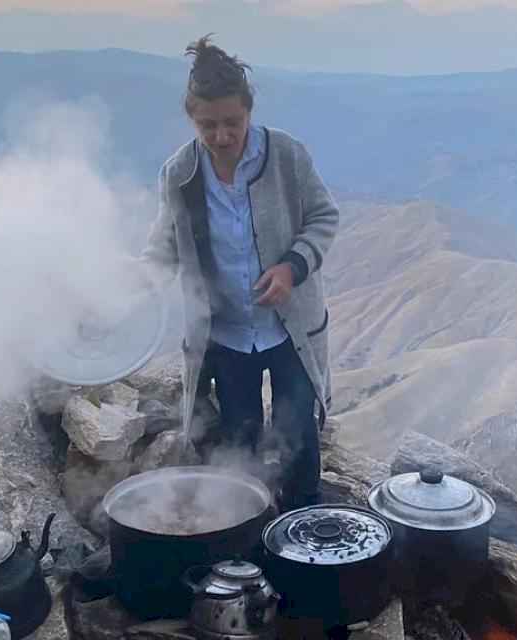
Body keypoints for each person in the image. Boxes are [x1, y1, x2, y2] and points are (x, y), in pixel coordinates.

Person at [141, 35, 339, 511]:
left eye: (233, 122)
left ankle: (302, 524)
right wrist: (136, 283)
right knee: (239, 439)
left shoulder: (287, 157)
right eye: (208, 125)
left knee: (298, 436)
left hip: (290, 330)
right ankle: (249, 533)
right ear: (191, 117)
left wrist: (292, 267)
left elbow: (324, 217)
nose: (222, 136)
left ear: (249, 110)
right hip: (226, 334)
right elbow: (164, 246)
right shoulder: (180, 173)